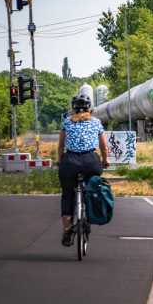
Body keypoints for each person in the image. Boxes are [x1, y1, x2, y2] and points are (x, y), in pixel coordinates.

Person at [57, 94, 109, 246]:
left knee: (67, 195)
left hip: (70, 161)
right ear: (89, 108)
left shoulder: (66, 122)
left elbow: (60, 146)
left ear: (73, 109)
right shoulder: (96, 122)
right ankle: (89, 215)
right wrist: (105, 161)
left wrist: (60, 161)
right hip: (90, 161)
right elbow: (103, 147)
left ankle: (67, 230)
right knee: (92, 189)